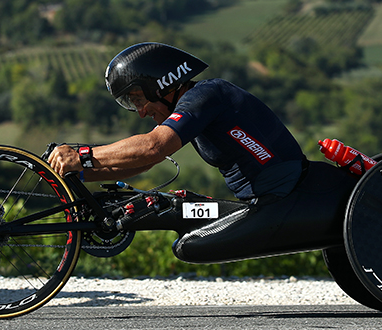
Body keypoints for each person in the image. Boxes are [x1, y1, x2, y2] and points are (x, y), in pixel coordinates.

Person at [47, 42, 357, 263]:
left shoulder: (205, 95)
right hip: (261, 201)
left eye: (138, 98)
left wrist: (82, 154)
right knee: (175, 207)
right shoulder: (192, 104)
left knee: (189, 247)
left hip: (285, 198)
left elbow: (154, 147)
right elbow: (140, 163)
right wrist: (81, 173)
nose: (139, 111)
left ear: (162, 83)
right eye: (131, 104)